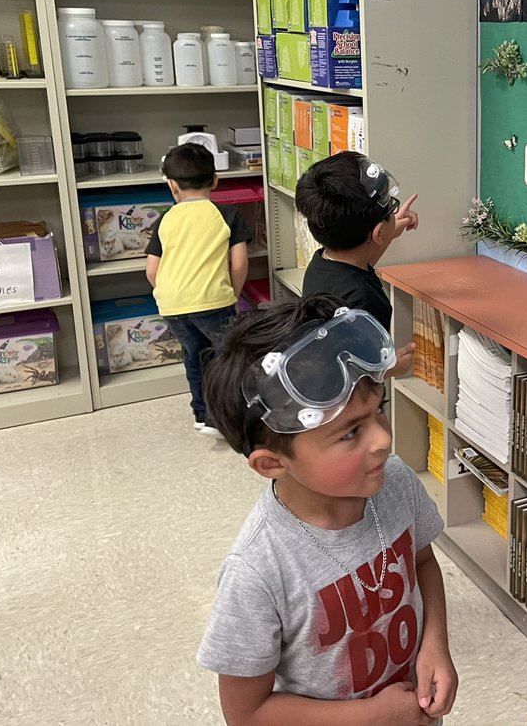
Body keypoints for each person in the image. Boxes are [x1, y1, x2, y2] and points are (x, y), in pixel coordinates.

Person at [197, 296, 457, 725]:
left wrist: (435, 644)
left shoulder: (393, 482)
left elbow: (424, 561)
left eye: (379, 412)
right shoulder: (257, 570)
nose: (382, 440)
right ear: (272, 463)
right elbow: (246, 713)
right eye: (350, 432)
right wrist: (372, 716)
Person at [145, 143, 251, 439]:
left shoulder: (165, 219)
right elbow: (240, 264)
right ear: (216, 180)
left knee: (194, 355)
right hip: (214, 301)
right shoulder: (227, 215)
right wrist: (233, 293)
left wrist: (172, 294)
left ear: (171, 185)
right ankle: (225, 420)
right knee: (227, 357)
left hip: (172, 306)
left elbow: (151, 271)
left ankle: (201, 414)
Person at [295, 151, 418, 375]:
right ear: (377, 233)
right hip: (352, 404)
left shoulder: (323, 261)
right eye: (392, 210)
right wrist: (390, 368)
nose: (394, 211)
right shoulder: (363, 302)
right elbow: (352, 372)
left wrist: (391, 229)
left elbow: (362, 260)